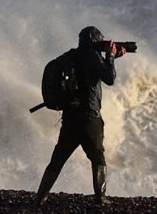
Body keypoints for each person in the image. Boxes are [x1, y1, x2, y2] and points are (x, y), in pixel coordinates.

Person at [36, 25, 124, 204]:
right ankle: (101, 196)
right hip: (90, 117)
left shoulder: (69, 56)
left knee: (58, 159)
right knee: (97, 156)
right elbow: (110, 78)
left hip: (70, 117)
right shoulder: (93, 56)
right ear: (96, 40)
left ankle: (41, 197)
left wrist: (108, 57)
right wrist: (111, 57)